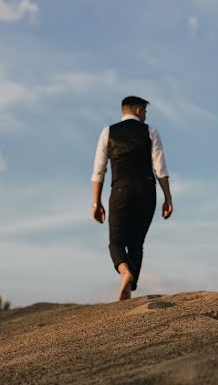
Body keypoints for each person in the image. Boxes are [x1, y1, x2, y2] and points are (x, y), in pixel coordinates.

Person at [91, 95, 173, 301]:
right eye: (145, 111)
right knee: (137, 243)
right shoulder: (150, 131)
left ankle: (125, 273)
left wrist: (96, 202)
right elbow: (160, 167)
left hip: (121, 189)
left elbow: (98, 170)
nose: (145, 116)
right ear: (138, 110)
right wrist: (168, 198)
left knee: (116, 242)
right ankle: (131, 284)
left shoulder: (108, 132)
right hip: (147, 190)